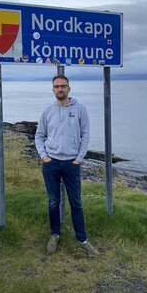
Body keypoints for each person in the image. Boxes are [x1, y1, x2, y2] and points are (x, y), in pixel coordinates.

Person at [35, 75, 99, 258]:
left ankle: (82, 240)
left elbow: (85, 135)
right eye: (56, 86)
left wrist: (79, 158)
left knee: (76, 203)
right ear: (53, 89)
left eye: (63, 86)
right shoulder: (47, 111)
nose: (60, 89)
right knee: (54, 202)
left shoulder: (80, 109)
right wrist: (44, 156)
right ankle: (55, 235)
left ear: (69, 88)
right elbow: (39, 135)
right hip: (51, 164)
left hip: (72, 164)